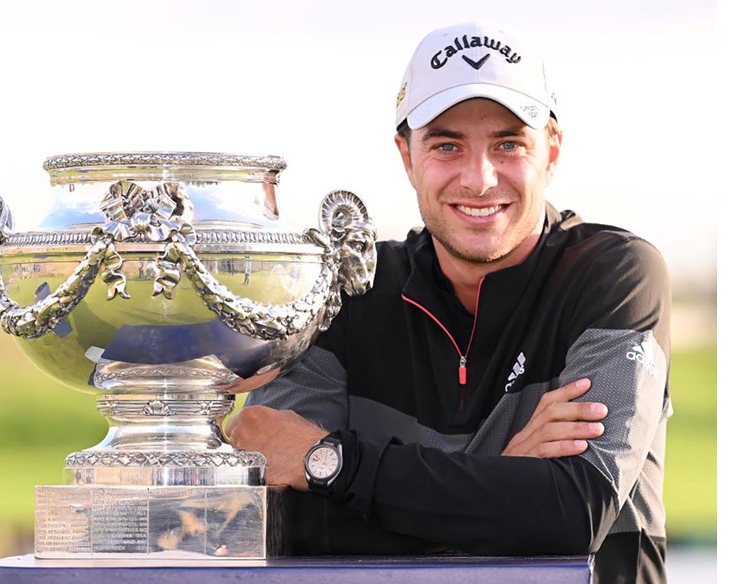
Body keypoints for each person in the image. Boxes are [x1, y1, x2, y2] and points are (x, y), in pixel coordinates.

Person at [226, 20, 671, 584]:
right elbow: (279, 524)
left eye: (509, 143)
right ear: (407, 156)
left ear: (551, 152)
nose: (480, 179)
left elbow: (575, 510)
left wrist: (334, 464)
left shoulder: (613, 273)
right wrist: (503, 480)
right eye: (446, 145)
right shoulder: (346, 287)